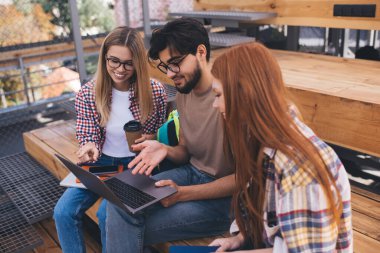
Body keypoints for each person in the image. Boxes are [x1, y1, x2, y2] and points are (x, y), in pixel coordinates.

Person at [105, 18, 235, 252]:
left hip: (225, 200)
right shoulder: (184, 92)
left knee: (128, 224)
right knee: (116, 199)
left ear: (201, 52)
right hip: (192, 173)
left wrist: (183, 194)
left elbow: (246, 178)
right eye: (166, 66)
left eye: (175, 63)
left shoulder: (227, 95)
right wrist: (164, 148)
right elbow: (185, 151)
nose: (171, 73)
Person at [209, 42, 353, 252]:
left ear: (244, 93)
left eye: (218, 95)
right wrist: (238, 239)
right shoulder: (261, 140)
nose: (215, 105)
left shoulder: (299, 171)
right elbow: (267, 220)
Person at [53, 26, 167, 253]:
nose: (120, 69)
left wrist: (152, 138)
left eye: (128, 63)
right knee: (63, 212)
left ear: (138, 63)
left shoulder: (154, 91)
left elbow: (158, 135)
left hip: (136, 165)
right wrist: (89, 146)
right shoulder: (88, 93)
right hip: (102, 162)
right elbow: (88, 135)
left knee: (107, 215)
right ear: (104, 57)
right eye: (113, 60)